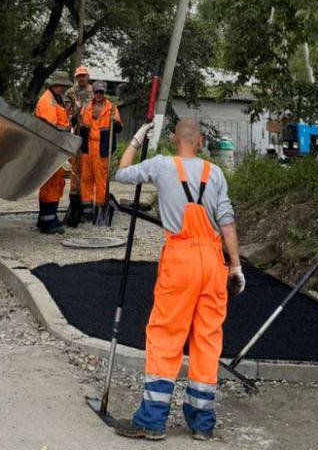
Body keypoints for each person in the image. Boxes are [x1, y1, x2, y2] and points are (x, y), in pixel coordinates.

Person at [112, 119, 245, 441]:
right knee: (207, 339)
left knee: (166, 334)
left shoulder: (160, 165)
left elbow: (121, 173)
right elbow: (226, 221)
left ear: (174, 140)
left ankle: (152, 421)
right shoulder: (214, 173)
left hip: (180, 259)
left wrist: (136, 139)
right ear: (199, 142)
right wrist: (236, 266)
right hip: (213, 262)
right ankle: (202, 423)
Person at [34, 71, 73, 234]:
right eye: (61, 86)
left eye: (64, 86)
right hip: (52, 150)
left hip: (55, 150)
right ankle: (47, 222)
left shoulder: (55, 99)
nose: (63, 89)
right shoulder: (48, 101)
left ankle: (49, 217)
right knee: (50, 185)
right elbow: (52, 130)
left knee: (56, 183)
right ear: (54, 85)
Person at [77, 81, 122, 223]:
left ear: (104, 93)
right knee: (86, 177)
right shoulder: (86, 108)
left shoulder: (111, 108)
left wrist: (116, 124)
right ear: (93, 93)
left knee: (100, 179)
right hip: (87, 146)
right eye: (96, 92)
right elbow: (81, 125)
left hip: (102, 148)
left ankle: (100, 209)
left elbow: (119, 127)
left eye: (101, 92)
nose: (98, 95)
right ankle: (87, 209)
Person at [63, 65, 94, 225]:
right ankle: (74, 199)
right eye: (79, 76)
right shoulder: (70, 92)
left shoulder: (95, 90)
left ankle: (88, 201)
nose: (81, 78)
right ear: (76, 78)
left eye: (83, 76)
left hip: (93, 134)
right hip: (77, 132)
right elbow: (67, 111)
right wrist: (76, 108)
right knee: (76, 168)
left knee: (90, 168)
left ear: (87, 76)